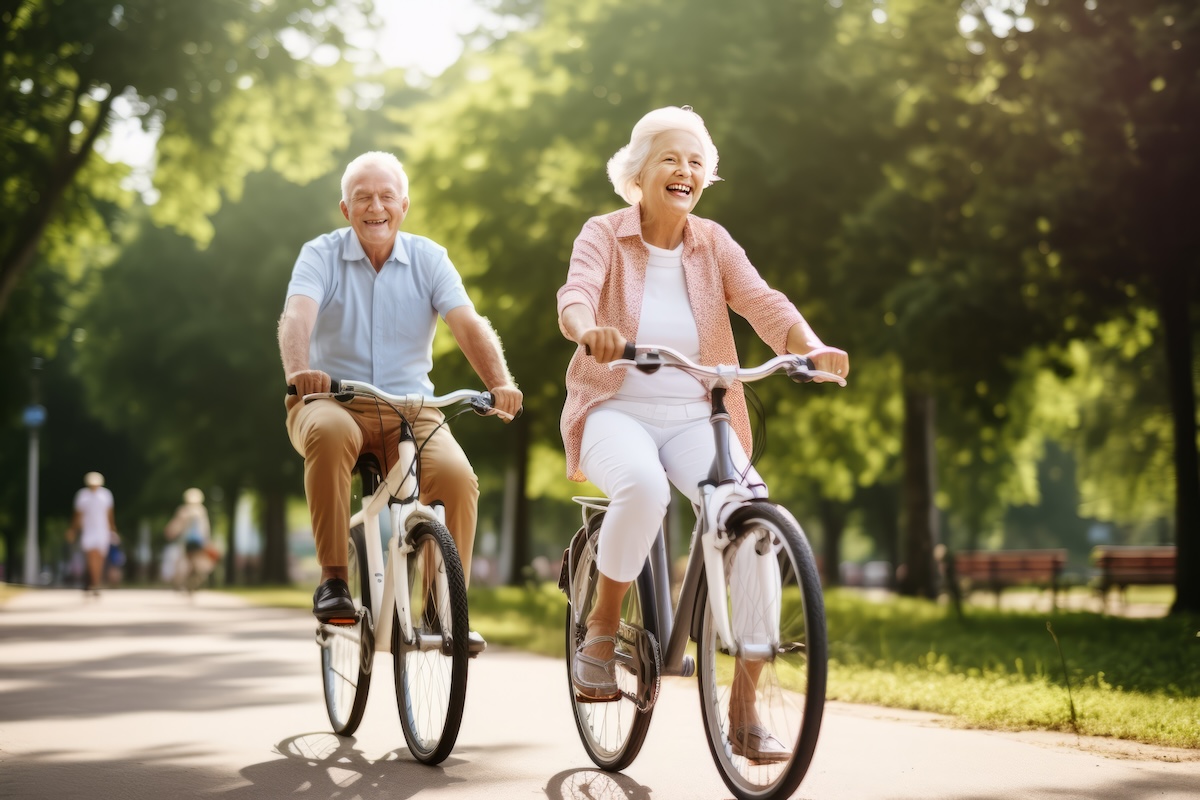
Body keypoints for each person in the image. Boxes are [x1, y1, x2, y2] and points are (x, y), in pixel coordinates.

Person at [556, 106, 849, 761]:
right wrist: (588, 330)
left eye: (694, 161)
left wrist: (809, 345)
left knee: (749, 518)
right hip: (616, 409)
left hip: (698, 413)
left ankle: (744, 711)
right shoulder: (604, 233)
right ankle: (601, 633)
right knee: (641, 490)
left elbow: (762, 301)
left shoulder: (712, 242)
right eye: (670, 157)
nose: (684, 169)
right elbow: (574, 295)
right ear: (638, 172)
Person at [278, 150, 523, 624]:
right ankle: (333, 581)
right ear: (346, 209)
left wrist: (500, 383)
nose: (376, 207)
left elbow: (467, 323)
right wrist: (299, 370)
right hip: (331, 400)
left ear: (403, 206)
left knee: (457, 478)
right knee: (328, 435)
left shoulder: (430, 259)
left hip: (412, 410)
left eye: (386, 196)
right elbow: (297, 316)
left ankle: (443, 607)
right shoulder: (321, 254)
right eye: (363, 198)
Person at [66, 472, 117, 597]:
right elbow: (77, 515)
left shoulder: (106, 495)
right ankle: (94, 583)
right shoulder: (82, 496)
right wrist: (73, 530)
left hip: (102, 531)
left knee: (99, 558)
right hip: (89, 531)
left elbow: (109, 515)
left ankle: (95, 582)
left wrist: (113, 530)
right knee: (91, 557)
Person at [164, 488, 214, 593]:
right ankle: (190, 583)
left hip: (188, 542)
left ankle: (182, 583)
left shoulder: (184, 510)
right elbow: (206, 529)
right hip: (198, 543)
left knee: (186, 563)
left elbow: (176, 526)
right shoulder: (201, 511)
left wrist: (170, 531)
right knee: (196, 564)